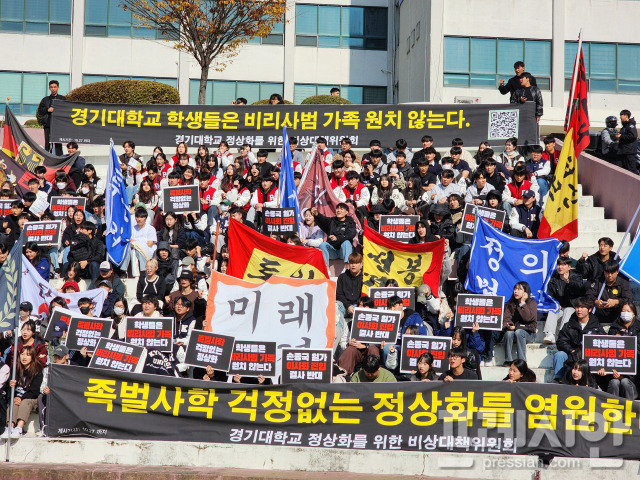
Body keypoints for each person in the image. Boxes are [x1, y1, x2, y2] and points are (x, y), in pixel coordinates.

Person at [553, 297, 605, 382]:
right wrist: (572, 351)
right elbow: (561, 341)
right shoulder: (568, 325)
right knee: (559, 355)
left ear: (589, 309)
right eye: (577, 307)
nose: (579, 310)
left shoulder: (596, 326)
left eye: (582, 307)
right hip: (572, 354)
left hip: (589, 356)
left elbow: (603, 341)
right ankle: (560, 380)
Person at [598, 302, 640, 399]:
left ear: (634, 313)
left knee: (625, 382)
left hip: (632, 379)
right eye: (623, 311)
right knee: (614, 382)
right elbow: (607, 352)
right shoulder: (614, 328)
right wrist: (605, 373)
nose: (625, 313)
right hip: (613, 376)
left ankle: (629, 410)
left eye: (628, 311)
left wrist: (625, 340)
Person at [0, 346, 44, 438]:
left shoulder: (37, 370)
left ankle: (19, 428)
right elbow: (9, 390)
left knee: (25, 402)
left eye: (28, 355)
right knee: (14, 401)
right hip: (18, 397)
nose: (24, 357)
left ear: (32, 357)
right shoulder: (15, 369)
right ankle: (9, 427)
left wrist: (21, 398)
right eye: (22, 354)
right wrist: (11, 385)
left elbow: (34, 390)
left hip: (32, 398)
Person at [544, 257, 585, 344]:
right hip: (560, 308)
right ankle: (550, 334)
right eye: (559, 264)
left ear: (569, 267)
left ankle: (562, 334)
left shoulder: (576, 276)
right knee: (552, 310)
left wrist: (569, 282)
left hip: (572, 307)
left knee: (568, 310)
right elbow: (550, 294)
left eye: (563, 265)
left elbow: (580, 290)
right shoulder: (554, 279)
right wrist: (556, 304)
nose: (560, 267)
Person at [586, 259, 633, 324]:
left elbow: (629, 298)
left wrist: (616, 302)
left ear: (617, 272)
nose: (609, 275)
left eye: (612, 273)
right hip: (600, 314)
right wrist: (596, 301)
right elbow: (589, 295)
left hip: (617, 315)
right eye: (607, 272)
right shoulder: (598, 281)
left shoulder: (623, 282)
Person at [501, 282, 537, 365]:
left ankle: (522, 361)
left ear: (525, 292)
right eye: (515, 289)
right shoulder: (510, 303)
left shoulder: (532, 303)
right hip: (514, 332)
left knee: (519, 332)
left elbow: (527, 318)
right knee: (508, 333)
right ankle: (508, 360)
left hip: (529, 333)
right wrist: (509, 325)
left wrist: (522, 303)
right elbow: (506, 319)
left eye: (519, 289)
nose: (516, 291)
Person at [37, 79, 66, 155]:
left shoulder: (62, 99)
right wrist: (47, 110)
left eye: (55, 87)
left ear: (58, 88)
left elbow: (66, 109)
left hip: (58, 125)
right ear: (49, 88)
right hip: (48, 124)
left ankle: (59, 159)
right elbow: (40, 111)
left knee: (58, 144)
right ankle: (47, 159)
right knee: (48, 143)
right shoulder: (45, 99)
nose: (53, 89)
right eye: (51, 87)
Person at [616, 109, 638, 174]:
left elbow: (633, 136)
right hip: (623, 151)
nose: (620, 117)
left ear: (626, 115)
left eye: (621, 115)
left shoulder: (631, 125)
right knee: (624, 170)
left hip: (629, 152)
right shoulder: (624, 126)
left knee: (631, 170)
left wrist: (621, 136)